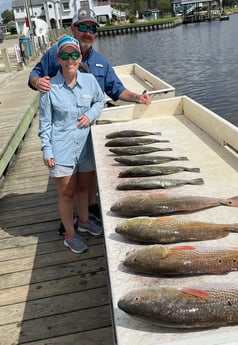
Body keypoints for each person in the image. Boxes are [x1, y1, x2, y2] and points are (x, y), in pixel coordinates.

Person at [29, 7, 151, 234]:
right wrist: (37, 83)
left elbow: (115, 90)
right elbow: (34, 75)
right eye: (82, 27)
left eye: (92, 28)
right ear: (73, 28)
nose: (87, 32)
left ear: (95, 33)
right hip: (63, 135)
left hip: (87, 135)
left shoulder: (101, 63)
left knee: (86, 181)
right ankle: (69, 224)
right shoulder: (54, 53)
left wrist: (137, 97)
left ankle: (87, 214)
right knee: (67, 186)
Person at [38, 35, 106, 253]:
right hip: (62, 149)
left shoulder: (89, 80)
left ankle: (85, 222)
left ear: (80, 57)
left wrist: (91, 114)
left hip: (86, 146)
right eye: (65, 55)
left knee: (84, 187)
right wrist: (47, 150)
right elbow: (45, 123)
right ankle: (70, 234)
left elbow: (100, 100)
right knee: (67, 194)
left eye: (74, 54)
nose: (70, 59)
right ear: (58, 58)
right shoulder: (49, 88)